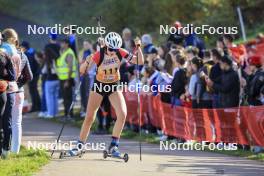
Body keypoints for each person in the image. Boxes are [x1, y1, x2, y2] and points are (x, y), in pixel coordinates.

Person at [70, 32, 144, 157]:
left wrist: (138, 47)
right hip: (99, 86)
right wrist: (87, 61)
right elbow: (82, 71)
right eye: (110, 49)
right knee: (89, 117)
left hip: (114, 86)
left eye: (115, 50)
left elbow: (139, 62)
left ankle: (113, 146)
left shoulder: (120, 52)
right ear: (106, 46)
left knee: (122, 114)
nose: (112, 52)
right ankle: (79, 146)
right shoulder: (99, 54)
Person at [0, 28, 21, 158]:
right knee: (9, 121)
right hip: (12, 88)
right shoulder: (17, 53)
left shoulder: (4, 50)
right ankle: (7, 150)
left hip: (5, 88)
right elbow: (16, 74)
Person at [11, 46, 33, 154]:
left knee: (6, 121)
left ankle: (4, 148)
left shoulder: (4, 53)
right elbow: (30, 76)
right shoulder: (23, 55)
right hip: (19, 91)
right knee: (17, 122)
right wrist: (19, 84)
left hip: (6, 91)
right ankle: (15, 151)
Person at [56, 38, 77, 119]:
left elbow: (70, 68)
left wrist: (67, 81)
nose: (61, 45)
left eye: (62, 43)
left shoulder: (69, 53)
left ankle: (69, 115)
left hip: (67, 79)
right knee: (65, 98)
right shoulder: (63, 53)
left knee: (68, 98)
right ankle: (66, 114)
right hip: (63, 79)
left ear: (67, 44)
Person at [43, 35, 60, 118]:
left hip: (50, 77)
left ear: (50, 38)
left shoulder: (47, 47)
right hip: (59, 76)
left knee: (49, 96)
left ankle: (50, 113)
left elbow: (46, 59)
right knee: (56, 96)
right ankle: (56, 113)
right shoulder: (59, 46)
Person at [21, 41, 41, 112]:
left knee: (33, 91)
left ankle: (35, 107)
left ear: (24, 47)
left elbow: (30, 66)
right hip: (37, 73)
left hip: (32, 74)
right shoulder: (33, 51)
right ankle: (39, 105)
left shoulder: (27, 54)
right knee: (35, 90)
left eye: (22, 46)